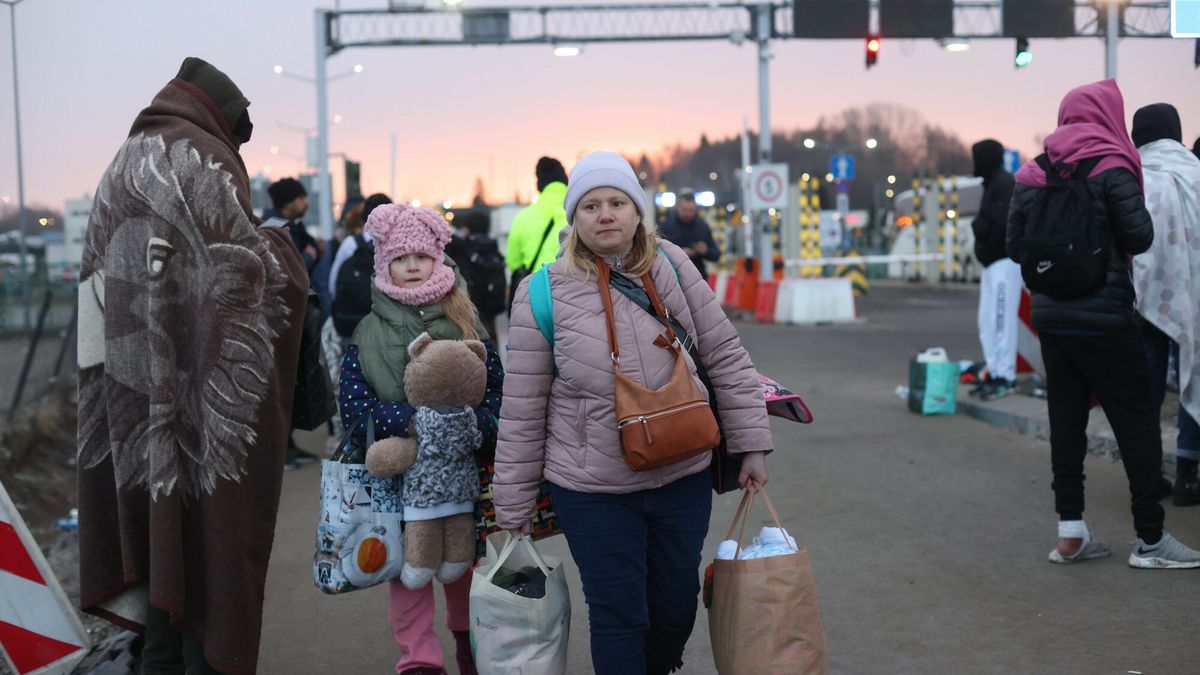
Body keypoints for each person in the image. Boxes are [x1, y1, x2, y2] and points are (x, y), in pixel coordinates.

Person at [493, 151, 772, 674]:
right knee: (618, 615)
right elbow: (522, 408)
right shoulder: (540, 294)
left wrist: (751, 445)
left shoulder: (672, 265)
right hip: (592, 488)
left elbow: (725, 354)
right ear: (574, 217)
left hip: (682, 471)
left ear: (637, 210)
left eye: (617, 202)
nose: (605, 215)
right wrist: (513, 504)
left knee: (675, 608)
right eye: (591, 205)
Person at [76, 57, 308, 674]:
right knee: (205, 534)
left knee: (156, 529)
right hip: (189, 390)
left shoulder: (123, 160)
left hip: (128, 384)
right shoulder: (200, 157)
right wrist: (283, 247)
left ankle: (160, 657)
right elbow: (252, 273)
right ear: (225, 119)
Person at [1007, 79, 1200, 569]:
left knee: (1066, 423)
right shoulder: (1112, 166)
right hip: (1105, 316)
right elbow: (1140, 236)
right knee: (1137, 423)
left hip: (1051, 319)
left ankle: (1070, 532)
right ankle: (1151, 540)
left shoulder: (1032, 173)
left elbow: (1014, 246)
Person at [338, 203, 504, 675]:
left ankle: (470, 647)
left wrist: (475, 427)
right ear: (383, 264)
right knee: (406, 574)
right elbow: (353, 408)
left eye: (422, 257)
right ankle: (419, 661)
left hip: (463, 472)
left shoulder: (465, 319)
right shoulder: (368, 331)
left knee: (464, 566)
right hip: (397, 477)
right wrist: (413, 421)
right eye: (400, 258)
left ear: (438, 259)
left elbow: (498, 392)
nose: (412, 266)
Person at [1130, 102, 1200, 507]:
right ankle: (1189, 474)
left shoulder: (1134, 175)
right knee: (1194, 372)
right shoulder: (1195, 171)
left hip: (1146, 297)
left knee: (1147, 386)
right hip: (1194, 297)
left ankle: (1148, 474)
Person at [969, 139, 1020, 401]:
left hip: (1004, 263)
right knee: (987, 321)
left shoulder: (1003, 184)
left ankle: (1006, 376)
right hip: (992, 264)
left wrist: (979, 229)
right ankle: (994, 371)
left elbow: (1000, 224)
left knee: (1001, 322)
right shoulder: (993, 184)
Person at [506, 157, 568, 312]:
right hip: (575, 291)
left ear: (539, 184)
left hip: (537, 294)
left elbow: (513, 262)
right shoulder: (579, 212)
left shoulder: (522, 217)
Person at [330, 193, 393, 340]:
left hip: (352, 325)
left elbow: (333, 284)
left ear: (364, 217)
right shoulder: (396, 244)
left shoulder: (351, 243)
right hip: (386, 326)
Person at [661, 190, 721, 280]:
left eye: (691, 210)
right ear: (677, 207)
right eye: (685, 210)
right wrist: (679, 254)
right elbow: (658, 255)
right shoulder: (666, 227)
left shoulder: (703, 227)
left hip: (698, 277)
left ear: (696, 209)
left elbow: (716, 255)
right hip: (673, 279)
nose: (688, 213)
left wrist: (706, 251)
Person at [267, 177, 321, 274]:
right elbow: (284, 272)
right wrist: (308, 256)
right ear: (287, 202)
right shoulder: (274, 230)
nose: (306, 202)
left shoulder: (293, 227)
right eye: (301, 198)